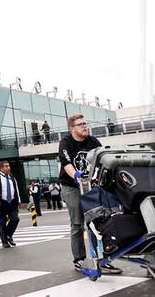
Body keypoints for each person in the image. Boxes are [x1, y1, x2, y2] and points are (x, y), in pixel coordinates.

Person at [58, 114, 121, 274]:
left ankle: (104, 258)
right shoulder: (66, 142)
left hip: (90, 185)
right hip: (72, 186)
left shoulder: (93, 142)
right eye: (80, 124)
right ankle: (79, 259)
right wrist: (76, 175)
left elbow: (104, 157)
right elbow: (66, 163)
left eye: (85, 123)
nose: (85, 126)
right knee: (78, 223)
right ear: (72, 128)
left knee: (98, 219)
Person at [0, 161, 21, 248]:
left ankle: (9, 235)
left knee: (15, 219)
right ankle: (4, 241)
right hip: (1, 202)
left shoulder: (12, 177)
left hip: (12, 202)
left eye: (8, 166)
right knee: (1, 223)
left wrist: (19, 200)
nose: (8, 168)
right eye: (6, 166)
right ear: (1, 168)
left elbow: (16, 189)